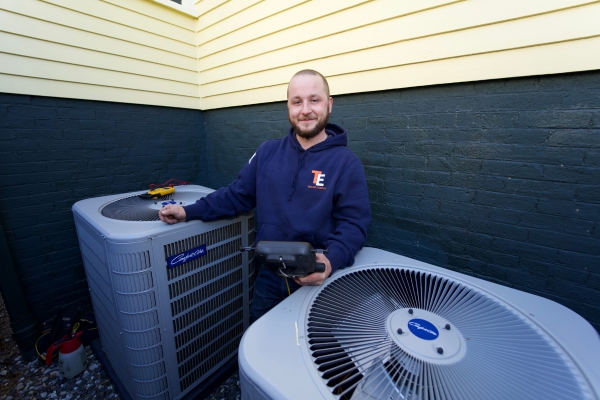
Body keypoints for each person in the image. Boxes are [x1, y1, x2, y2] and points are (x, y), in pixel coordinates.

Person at [159, 69, 371, 321]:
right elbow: (236, 195)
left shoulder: (346, 163)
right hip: (269, 275)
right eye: (297, 101)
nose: (305, 110)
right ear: (288, 106)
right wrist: (187, 211)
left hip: (315, 276)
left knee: (309, 349)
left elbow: (354, 224)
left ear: (329, 104)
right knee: (260, 340)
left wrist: (330, 261)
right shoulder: (267, 152)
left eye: (314, 100)